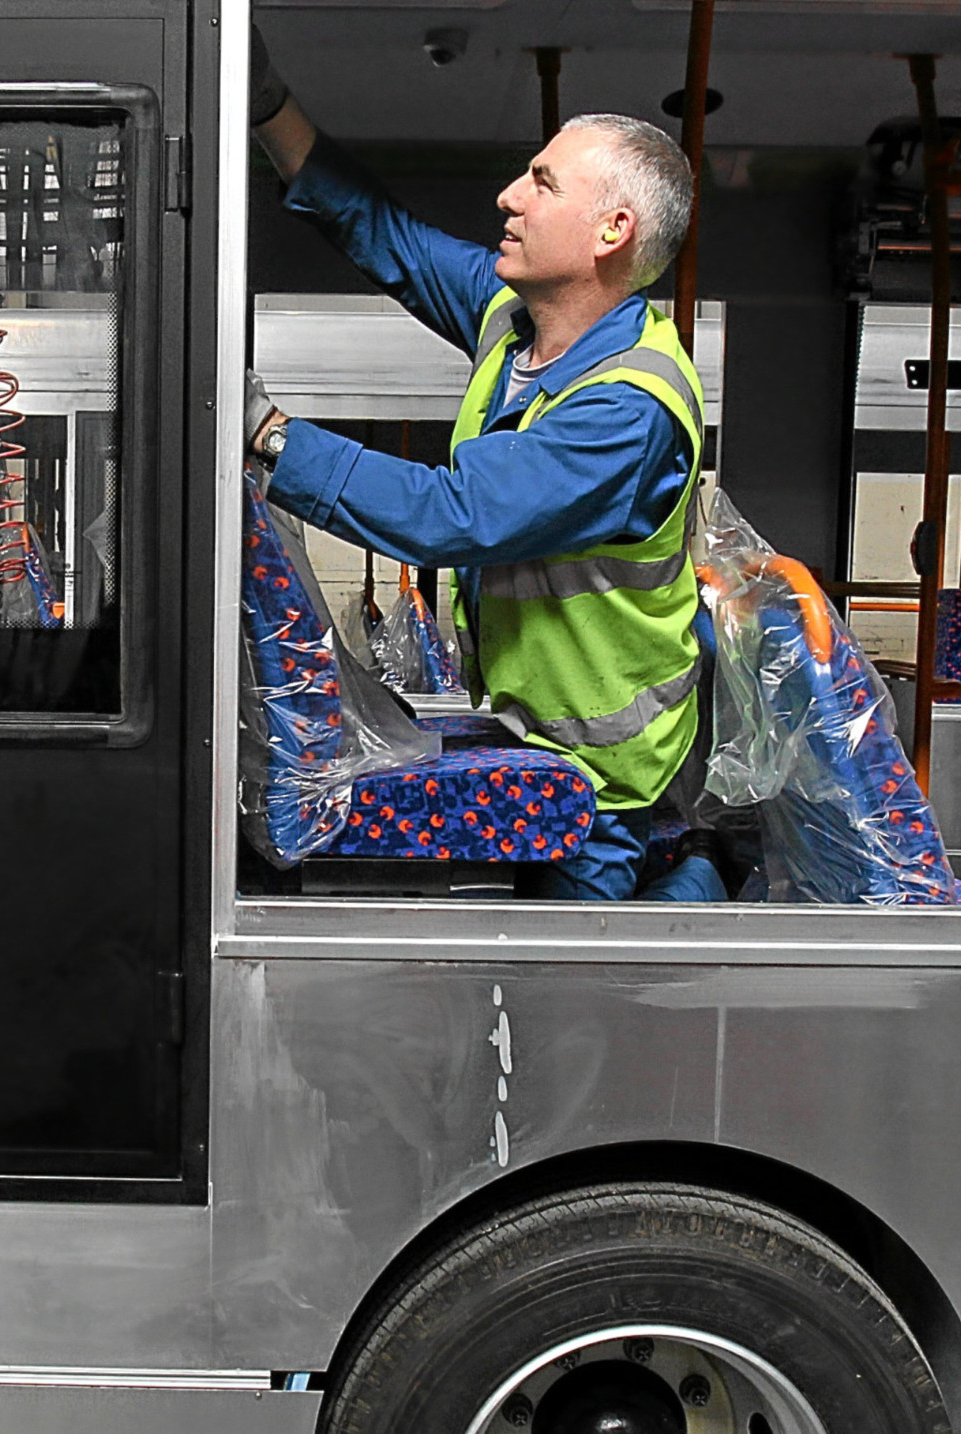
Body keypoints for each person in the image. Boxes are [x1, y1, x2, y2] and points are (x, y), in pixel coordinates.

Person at [245, 41, 723, 902]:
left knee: (567, 1020)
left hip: (595, 781)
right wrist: (271, 105)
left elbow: (454, 514)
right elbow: (386, 235)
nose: (508, 197)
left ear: (612, 232)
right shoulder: (518, 320)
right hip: (528, 737)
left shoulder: (631, 409)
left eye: (542, 184)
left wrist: (270, 440)